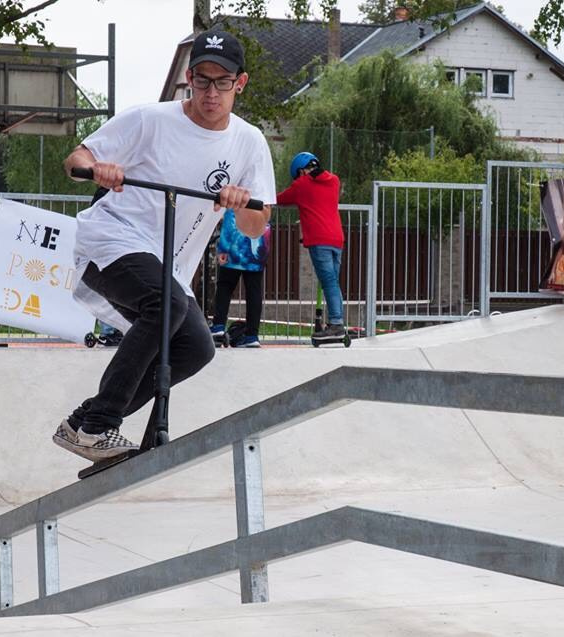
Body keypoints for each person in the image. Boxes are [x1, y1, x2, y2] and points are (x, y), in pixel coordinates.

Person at [53, 30, 275, 461]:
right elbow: (75, 158)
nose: (211, 93)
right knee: (167, 304)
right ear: (189, 78)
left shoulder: (249, 142)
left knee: (196, 347)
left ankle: (83, 423)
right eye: (202, 81)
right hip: (110, 241)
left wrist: (239, 204)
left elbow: (255, 226)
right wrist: (97, 169)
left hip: (168, 266)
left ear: (240, 84)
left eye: (223, 83)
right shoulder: (149, 120)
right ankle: (99, 427)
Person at [276, 152, 346, 339]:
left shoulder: (301, 185)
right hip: (337, 239)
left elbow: (280, 199)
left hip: (319, 239)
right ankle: (336, 322)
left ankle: (337, 325)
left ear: (301, 171)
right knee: (333, 282)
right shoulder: (334, 181)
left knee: (329, 282)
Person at [210, 208, 270, 347]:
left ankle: (218, 326)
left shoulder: (238, 196)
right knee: (254, 290)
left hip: (235, 244)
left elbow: (230, 219)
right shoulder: (265, 196)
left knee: (225, 285)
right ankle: (252, 336)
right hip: (258, 242)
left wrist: (223, 248)